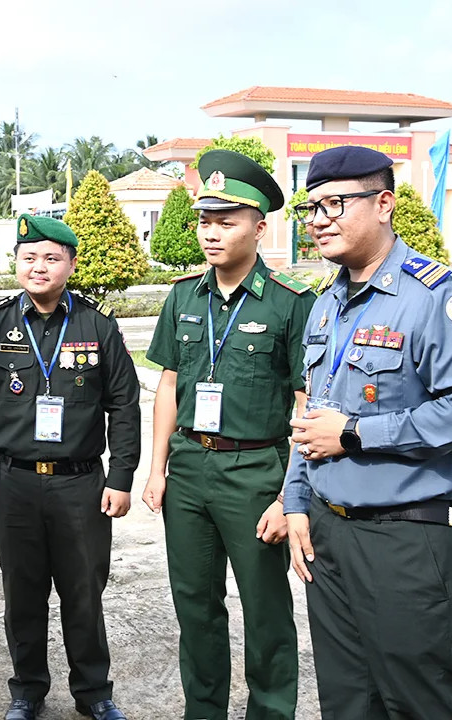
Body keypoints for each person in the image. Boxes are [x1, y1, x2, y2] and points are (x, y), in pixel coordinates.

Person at [282, 145, 452, 720]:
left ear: (383, 203)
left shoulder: (437, 296)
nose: (319, 220)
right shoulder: (327, 303)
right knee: (345, 702)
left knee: (415, 702)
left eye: (335, 204)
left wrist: (357, 432)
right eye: (312, 208)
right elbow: (313, 415)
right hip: (329, 536)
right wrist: (296, 502)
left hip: (406, 541)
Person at [142, 150, 315, 720]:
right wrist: (157, 469)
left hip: (256, 472)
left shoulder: (293, 303)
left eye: (227, 221)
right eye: (203, 220)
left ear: (260, 227)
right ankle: (204, 711)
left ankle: (269, 712)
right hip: (190, 469)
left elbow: (304, 403)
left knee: (265, 611)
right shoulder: (183, 296)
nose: (210, 234)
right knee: (195, 606)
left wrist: (289, 495)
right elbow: (169, 384)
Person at [0, 214, 140, 720]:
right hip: (11, 482)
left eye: (52, 258)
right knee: (23, 593)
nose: (39, 267)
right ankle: (27, 691)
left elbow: (124, 403)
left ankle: (94, 692)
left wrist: (120, 477)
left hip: (81, 484)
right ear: (16, 263)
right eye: (29, 257)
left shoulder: (97, 324)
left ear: (71, 265)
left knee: (84, 593)